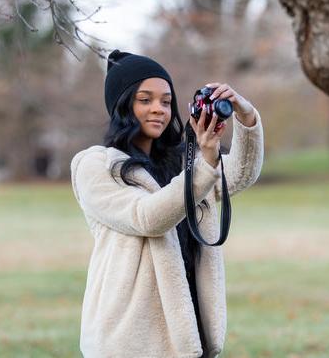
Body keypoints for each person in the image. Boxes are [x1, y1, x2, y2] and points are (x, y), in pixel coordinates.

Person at [70, 50, 264, 357]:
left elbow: (240, 173)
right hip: (129, 339)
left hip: (189, 332)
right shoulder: (96, 166)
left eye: (166, 100)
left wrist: (246, 116)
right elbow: (147, 217)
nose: (159, 109)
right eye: (145, 100)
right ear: (122, 104)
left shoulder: (184, 162)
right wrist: (204, 167)